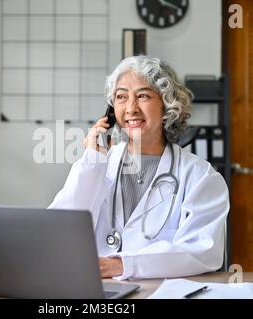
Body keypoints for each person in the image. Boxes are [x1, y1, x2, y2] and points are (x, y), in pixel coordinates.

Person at [49, 55, 229, 280]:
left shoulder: (201, 177)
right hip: (97, 292)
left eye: (143, 96)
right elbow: (57, 233)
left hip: (159, 293)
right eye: (121, 97)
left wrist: (122, 265)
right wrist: (91, 163)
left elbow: (202, 251)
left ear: (167, 104)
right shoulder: (96, 165)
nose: (131, 109)